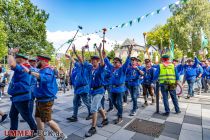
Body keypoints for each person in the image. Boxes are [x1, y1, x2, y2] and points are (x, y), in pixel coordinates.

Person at [23, 55, 67, 140]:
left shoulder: (48, 70)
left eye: (38, 60)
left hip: (46, 100)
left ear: (43, 61)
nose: (36, 62)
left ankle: (61, 135)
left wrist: (29, 72)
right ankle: (41, 137)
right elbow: (34, 71)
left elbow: (44, 78)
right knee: (38, 118)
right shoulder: (42, 70)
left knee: (48, 120)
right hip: (40, 99)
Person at [4, 53, 37, 140]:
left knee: (26, 116)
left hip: (21, 97)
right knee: (13, 115)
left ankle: (35, 131)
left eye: (16, 58)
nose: (14, 59)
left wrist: (10, 54)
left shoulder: (23, 67)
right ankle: (12, 134)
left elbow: (11, 64)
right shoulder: (26, 67)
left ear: (21, 59)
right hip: (17, 96)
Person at [103, 45, 133, 124]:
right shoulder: (112, 68)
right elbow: (107, 62)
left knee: (119, 103)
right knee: (113, 101)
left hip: (120, 89)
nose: (114, 63)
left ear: (120, 63)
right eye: (114, 62)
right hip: (112, 89)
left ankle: (120, 117)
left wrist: (129, 53)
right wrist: (104, 55)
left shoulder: (122, 69)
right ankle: (120, 110)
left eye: (116, 62)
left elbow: (127, 62)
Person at [85, 44, 109, 137]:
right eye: (92, 61)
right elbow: (83, 62)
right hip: (93, 91)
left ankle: (93, 128)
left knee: (93, 108)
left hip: (99, 91)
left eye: (95, 61)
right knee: (98, 107)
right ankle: (105, 119)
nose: (93, 62)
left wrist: (99, 52)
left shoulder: (100, 69)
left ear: (98, 61)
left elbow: (103, 64)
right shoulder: (91, 69)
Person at [65, 46, 92, 122]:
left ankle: (91, 113)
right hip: (77, 88)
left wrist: (76, 52)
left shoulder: (86, 66)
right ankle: (74, 116)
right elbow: (74, 61)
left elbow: (80, 59)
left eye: (80, 60)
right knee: (75, 102)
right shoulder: (79, 66)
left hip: (83, 88)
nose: (79, 61)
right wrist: (70, 56)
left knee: (86, 102)